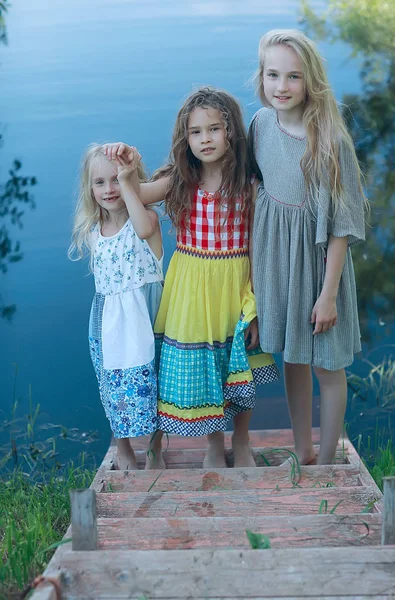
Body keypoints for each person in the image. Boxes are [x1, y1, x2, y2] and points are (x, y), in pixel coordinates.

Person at [105, 87, 279, 469]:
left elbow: (254, 247)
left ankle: (243, 440)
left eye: (214, 129)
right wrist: (127, 172)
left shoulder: (248, 183)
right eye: (196, 132)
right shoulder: (181, 180)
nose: (205, 139)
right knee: (207, 370)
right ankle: (214, 446)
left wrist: (258, 304)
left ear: (231, 131)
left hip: (235, 286)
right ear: (186, 139)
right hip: (190, 291)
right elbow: (141, 194)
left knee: (239, 369)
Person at [249, 29, 367, 465]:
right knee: (293, 361)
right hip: (277, 262)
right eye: (273, 74)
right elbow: (251, 185)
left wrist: (329, 294)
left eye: (293, 77)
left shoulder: (330, 142)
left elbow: (342, 225)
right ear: (262, 76)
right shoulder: (260, 124)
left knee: (326, 365)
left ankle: (330, 458)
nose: (282, 87)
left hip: (319, 269)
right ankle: (302, 452)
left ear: (311, 80)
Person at [68, 144, 163, 470]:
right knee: (111, 384)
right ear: (89, 188)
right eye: (100, 182)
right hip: (108, 322)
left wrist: (128, 179)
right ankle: (123, 448)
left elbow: (143, 229)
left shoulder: (146, 219)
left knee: (155, 383)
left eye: (117, 180)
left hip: (146, 316)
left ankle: (154, 450)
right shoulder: (94, 232)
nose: (109, 189)